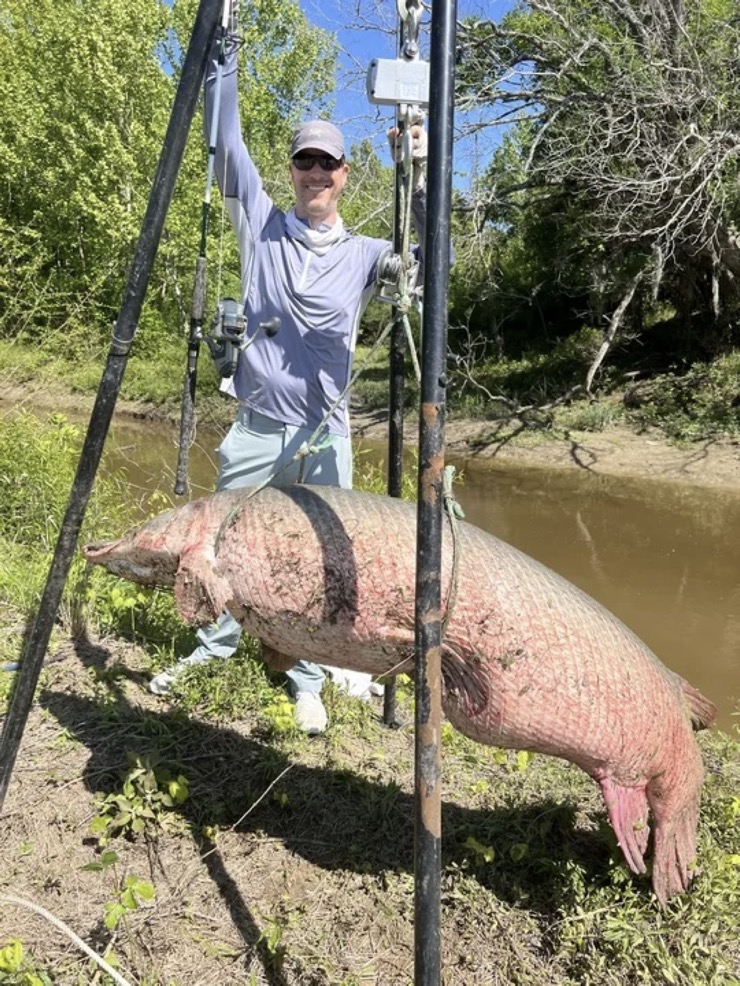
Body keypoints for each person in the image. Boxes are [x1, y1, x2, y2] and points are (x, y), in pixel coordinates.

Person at [150, 6, 428, 734]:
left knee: (314, 560)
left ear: (344, 174)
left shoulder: (367, 253)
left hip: (323, 436)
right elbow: (224, 143)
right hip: (256, 428)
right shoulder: (261, 224)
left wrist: (417, 172)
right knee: (223, 543)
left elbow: (424, 258)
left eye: (326, 162)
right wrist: (226, 55)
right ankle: (213, 645)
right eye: (304, 160)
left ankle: (306, 672)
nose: (314, 172)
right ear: (292, 170)